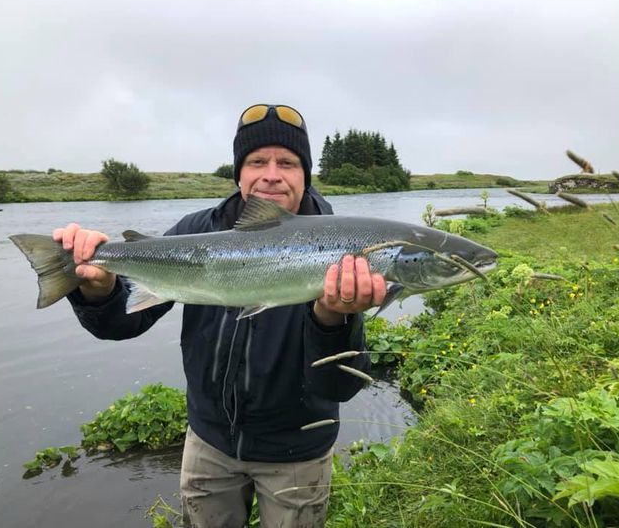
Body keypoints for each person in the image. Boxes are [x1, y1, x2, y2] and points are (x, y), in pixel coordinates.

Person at [54, 104, 387, 527]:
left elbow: (339, 385)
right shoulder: (196, 229)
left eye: (287, 162)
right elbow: (122, 323)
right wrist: (98, 289)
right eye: (256, 161)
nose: (271, 173)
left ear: (305, 174)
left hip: (296, 454)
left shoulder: (341, 247)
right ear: (239, 172)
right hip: (209, 443)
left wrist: (332, 318)